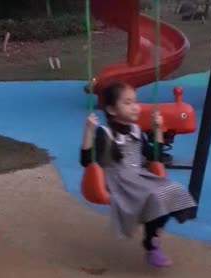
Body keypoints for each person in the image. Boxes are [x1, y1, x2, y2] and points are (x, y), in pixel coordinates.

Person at [80, 81, 198, 267]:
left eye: (134, 101)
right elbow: (87, 161)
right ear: (111, 109)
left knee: (172, 189)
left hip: (139, 177)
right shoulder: (105, 133)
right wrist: (88, 131)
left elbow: (155, 157)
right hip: (119, 182)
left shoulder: (136, 130)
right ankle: (151, 244)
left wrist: (158, 130)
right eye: (127, 103)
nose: (134, 107)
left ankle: (154, 234)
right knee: (154, 196)